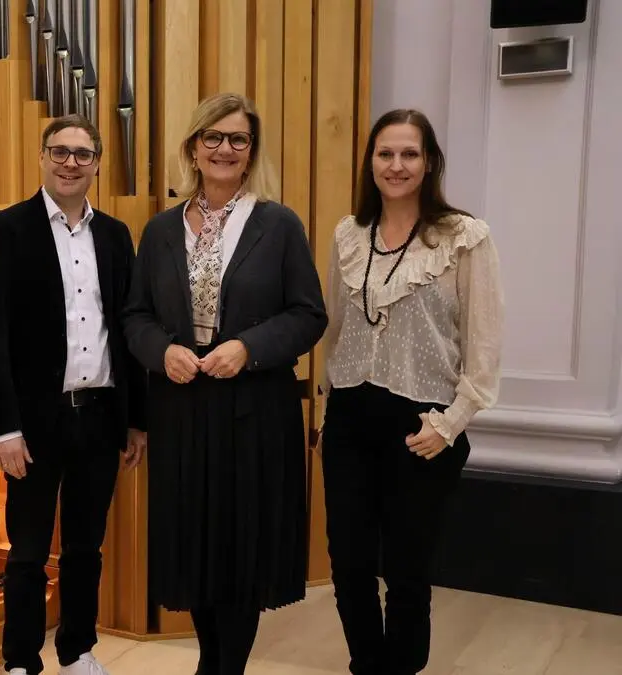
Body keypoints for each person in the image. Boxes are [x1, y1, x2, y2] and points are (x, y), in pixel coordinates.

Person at [122, 93, 327, 675]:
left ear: (251, 152)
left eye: (238, 139)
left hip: (254, 412)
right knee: (196, 547)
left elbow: (308, 315)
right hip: (181, 410)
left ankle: (223, 669)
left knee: (241, 551)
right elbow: (135, 316)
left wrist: (248, 348)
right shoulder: (160, 230)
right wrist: (162, 351)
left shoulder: (278, 225)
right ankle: (210, 662)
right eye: (212, 137)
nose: (224, 149)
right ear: (193, 148)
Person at [318, 108, 504, 675]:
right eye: (385, 153)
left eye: (409, 154)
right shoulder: (349, 234)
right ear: (370, 162)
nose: (396, 165)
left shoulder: (464, 237)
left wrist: (451, 423)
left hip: (422, 425)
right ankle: (366, 665)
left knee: (406, 570)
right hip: (350, 417)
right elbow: (335, 329)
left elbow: (485, 344)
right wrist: (328, 407)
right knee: (348, 564)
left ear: (428, 163)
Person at [0, 114, 147, 675]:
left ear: (97, 163)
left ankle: (77, 651)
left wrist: (136, 420)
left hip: (99, 415)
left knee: (85, 549)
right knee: (26, 552)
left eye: (83, 153)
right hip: (32, 423)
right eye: (60, 151)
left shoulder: (115, 235)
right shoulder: (6, 230)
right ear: (43, 157)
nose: (71, 163)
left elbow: (128, 329)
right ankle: (21, 660)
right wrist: (4, 428)